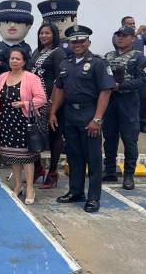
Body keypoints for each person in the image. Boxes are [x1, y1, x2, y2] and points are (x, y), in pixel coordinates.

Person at [50, 25, 115, 213]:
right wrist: (53, 111)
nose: (77, 44)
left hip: (90, 113)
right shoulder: (65, 63)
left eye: (81, 41)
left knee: (93, 158)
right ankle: (76, 191)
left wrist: (97, 119)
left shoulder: (98, 63)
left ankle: (94, 197)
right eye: (74, 41)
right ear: (69, 43)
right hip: (70, 114)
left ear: (88, 42)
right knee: (74, 156)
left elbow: (105, 91)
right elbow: (60, 90)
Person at [0, 49, 47, 205]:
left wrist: (24, 104)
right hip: (6, 121)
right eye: (12, 58)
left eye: (18, 59)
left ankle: (30, 187)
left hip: (24, 121)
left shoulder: (31, 78)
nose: (14, 61)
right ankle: (18, 184)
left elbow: (42, 99)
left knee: (26, 157)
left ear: (24, 61)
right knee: (13, 156)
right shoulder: (3, 76)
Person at [103, 27, 146, 190]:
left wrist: (120, 86)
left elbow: (142, 81)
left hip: (128, 101)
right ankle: (109, 171)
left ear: (132, 39)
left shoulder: (139, 58)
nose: (120, 38)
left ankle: (129, 175)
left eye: (124, 36)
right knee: (109, 137)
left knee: (129, 139)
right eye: (118, 35)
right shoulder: (108, 56)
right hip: (109, 100)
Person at [29, 23, 66, 189]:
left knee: (54, 137)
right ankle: (38, 169)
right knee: (32, 135)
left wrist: (53, 104)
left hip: (52, 102)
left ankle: (52, 173)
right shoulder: (37, 52)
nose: (43, 36)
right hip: (35, 102)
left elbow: (60, 81)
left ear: (54, 35)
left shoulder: (58, 53)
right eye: (41, 33)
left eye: (47, 33)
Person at [121, 16, 146, 134]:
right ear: (123, 25)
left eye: (134, 23)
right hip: (127, 71)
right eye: (129, 24)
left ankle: (144, 124)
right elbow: (125, 44)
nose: (133, 25)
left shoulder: (140, 36)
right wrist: (137, 32)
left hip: (140, 70)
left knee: (143, 99)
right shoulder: (119, 36)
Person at [0, 0, 33, 74]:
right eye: (7, 22)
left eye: (18, 22)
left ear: (28, 27)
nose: (12, 25)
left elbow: (27, 68)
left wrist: (1, 64)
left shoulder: (26, 48)